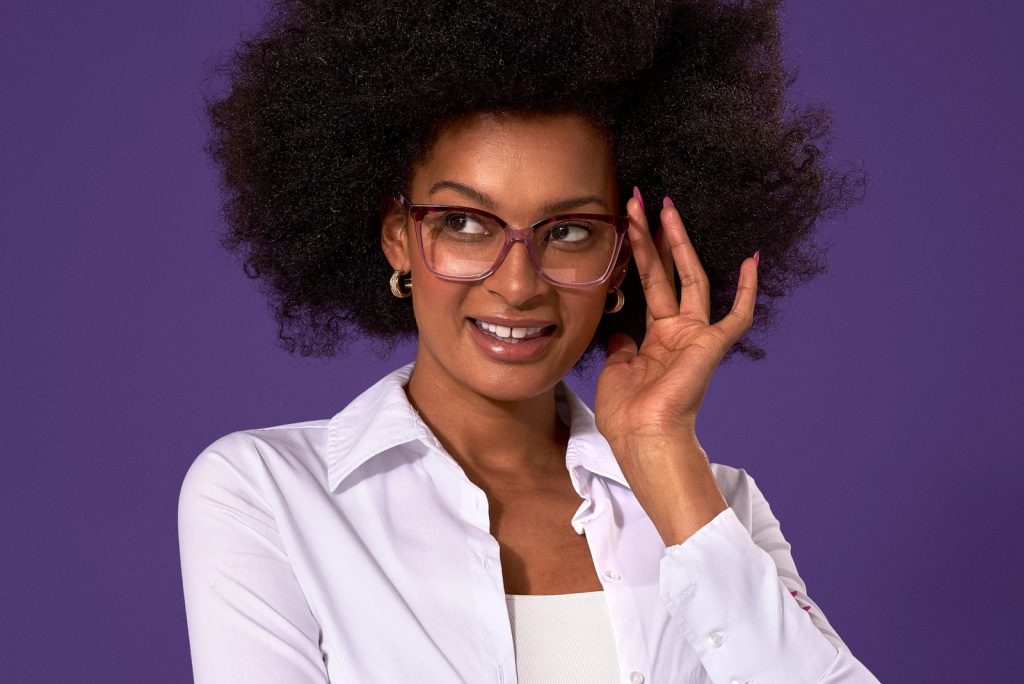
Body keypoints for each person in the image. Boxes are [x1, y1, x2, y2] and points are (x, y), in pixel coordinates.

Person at [178, 0, 878, 681]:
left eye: (569, 232)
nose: (517, 286)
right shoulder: (270, 493)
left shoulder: (712, 505)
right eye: (464, 223)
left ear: (620, 265)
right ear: (400, 239)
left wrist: (663, 457)